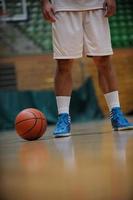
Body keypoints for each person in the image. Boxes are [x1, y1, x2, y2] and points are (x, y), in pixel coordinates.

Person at [41, 0, 133, 137]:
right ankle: (63, 116)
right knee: (64, 63)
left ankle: (116, 112)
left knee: (103, 60)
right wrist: (44, 2)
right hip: (62, 6)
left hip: (97, 5)